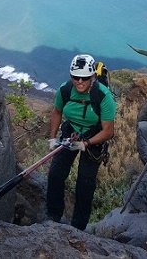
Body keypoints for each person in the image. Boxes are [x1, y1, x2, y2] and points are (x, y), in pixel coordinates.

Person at [46, 54, 117, 230]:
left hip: (93, 137)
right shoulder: (65, 90)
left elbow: (108, 131)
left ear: (93, 77)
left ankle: (78, 227)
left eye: (84, 78)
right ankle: (53, 214)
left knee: (85, 184)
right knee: (56, 174)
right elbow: (57, 112)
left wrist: (86, 143)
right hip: (71, 132)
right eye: (75, 77)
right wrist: (53, 138)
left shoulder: (103, 96)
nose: (79, 81)